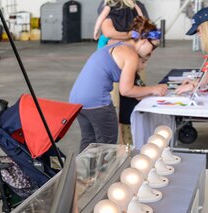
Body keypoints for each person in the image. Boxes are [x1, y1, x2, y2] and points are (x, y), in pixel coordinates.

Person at [69, 17, 167, 151]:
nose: (152, 52)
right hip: (97, 102)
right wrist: (154, 89)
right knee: (107, 146)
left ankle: (84, 171)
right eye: (153, 47)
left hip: (76, 99)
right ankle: (105, 172)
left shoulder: (118, 45)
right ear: (144, 41)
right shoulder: (131, 55)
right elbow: (126, 90)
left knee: (89, 142)